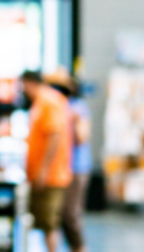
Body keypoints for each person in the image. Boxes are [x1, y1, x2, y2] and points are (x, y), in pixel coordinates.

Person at [21, 70, 73, 252]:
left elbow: (54, 135)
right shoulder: (43, 102)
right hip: (44, 174)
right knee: (45, 223)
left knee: (49, 223)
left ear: (28, 82)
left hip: (51, 176)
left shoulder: (48, 101)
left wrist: (43, 169)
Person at [49, 75, 91, 252]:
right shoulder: (56, 106)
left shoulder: (78, 107)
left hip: (76, 168)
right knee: (56, 215)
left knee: (71, 214)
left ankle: (79, 247)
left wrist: (74, 120)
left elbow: (82, 138)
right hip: (59, 169)